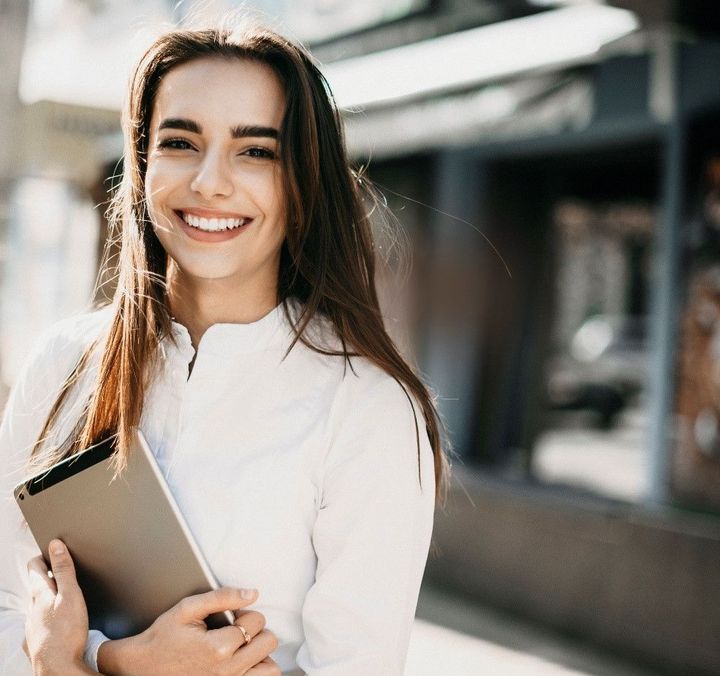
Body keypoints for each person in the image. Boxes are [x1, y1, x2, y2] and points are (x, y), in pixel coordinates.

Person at [0, 20, 447, 676]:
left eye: (255, 151)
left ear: (302, 184)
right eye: (181, 142)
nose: (211, 182)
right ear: (143, 163)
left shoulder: (367, 409)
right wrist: (120, 663)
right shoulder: (63, 365)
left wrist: (79, 660)